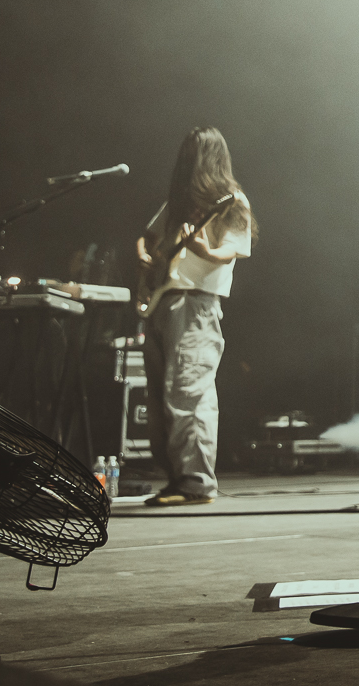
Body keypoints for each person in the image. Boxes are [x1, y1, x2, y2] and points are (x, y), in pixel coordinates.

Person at [134, 126, 255, 508]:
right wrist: (143, 255)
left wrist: (204, 249)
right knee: (159, 397)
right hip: (162, 302)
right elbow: (147, 238)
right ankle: (176, 477)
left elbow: (234, 249)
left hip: (197, 304)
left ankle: (197, 482)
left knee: (188, 389)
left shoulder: (232, 201)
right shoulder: (178, 205)